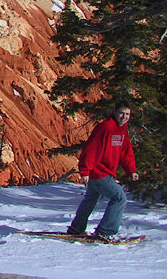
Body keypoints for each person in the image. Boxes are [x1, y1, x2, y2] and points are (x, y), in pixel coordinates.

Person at [67, 100, 138, 239]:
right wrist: (85, 170)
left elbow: (125, 152)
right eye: (121, 113)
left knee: (90, 201)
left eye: (127, 114)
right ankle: (106, 232)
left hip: (104, 173)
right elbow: (91, 149)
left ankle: (76, 229)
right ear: (115, 113)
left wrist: (131, 170)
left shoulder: (122, 130)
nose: (124, 117)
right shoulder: (105, 127)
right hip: (99, 173)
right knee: (119, 198)